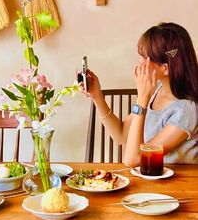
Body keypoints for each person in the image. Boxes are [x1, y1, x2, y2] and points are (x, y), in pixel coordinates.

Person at [84, 22, 198, 165]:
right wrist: (97, 96)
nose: (140, 63)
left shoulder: (186, 109)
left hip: (177, 187)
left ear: (165, 68)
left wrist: (142, 99)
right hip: (152, 182)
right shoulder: (158, 91)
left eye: (145, 58)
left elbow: (134, 160)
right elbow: (121, 136)